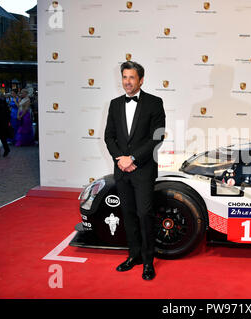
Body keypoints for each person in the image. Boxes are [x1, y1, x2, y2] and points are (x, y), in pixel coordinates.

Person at [104, 61, 166, 280]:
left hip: (143, 169)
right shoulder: (114, 104)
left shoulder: (155, 103)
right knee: (128, 215)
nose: (127, 82)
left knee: (144, 214)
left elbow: (157, 136)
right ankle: (134, 256)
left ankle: (148, 262)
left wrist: (132, 158)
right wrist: (120, 159)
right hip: (122, 170)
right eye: (124, 77)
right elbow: (109, 136)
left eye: (131, 77)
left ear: (141, 80)